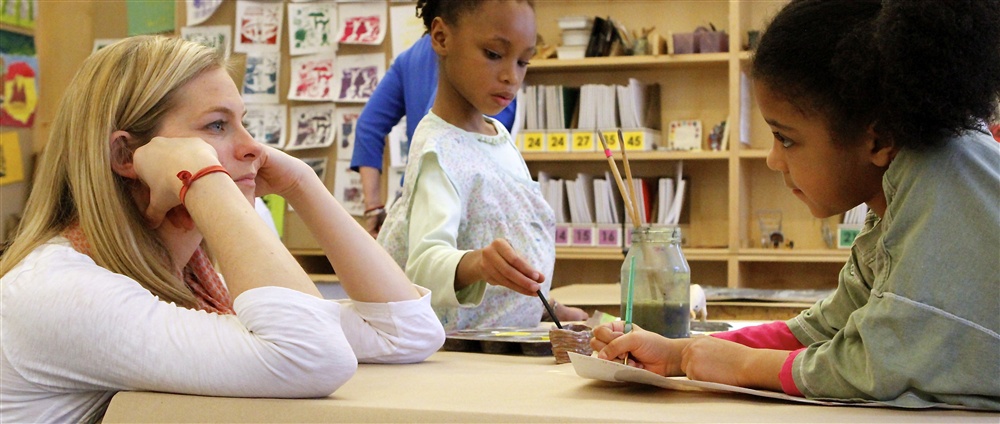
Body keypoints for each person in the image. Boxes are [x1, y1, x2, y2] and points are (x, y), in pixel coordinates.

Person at [0, 36, 445, 423]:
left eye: (243, 122)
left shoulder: (192, 278)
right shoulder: (60, 291)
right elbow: (312, 355)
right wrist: (200, 176)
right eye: (217, 125)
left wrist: (301, 184)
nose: (253, 148)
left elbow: (406, 332)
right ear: (126, 157)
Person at [591, 0, 999, 410]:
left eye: (785, 138)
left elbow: (883, 361)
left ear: (879, 138)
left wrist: (744, 365)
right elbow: (827, 328)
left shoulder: (948, 183)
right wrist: (679, 353)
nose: (773, 160)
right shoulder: (901, 189)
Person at [377, 0, 587, 331]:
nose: (511, 76)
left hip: (509, 339)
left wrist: (549, 307)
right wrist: (477, 263)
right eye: (493, 54)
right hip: (463, 350)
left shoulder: (498, 135)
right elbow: (422, 266)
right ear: (441, 38)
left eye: (523, 61)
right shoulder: (439, 150)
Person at [349, 32, 518, 238]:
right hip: (465, 213)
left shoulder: (408, 59)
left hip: (413, 203)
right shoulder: (469, 59)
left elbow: (368, 125)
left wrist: (373, 207)